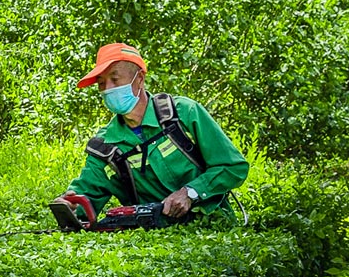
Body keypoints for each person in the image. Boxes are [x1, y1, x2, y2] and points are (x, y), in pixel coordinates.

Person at [53, 42, 249, 224]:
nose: (108, 89)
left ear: (139, 79)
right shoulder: (105, 145)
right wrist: (70, 203)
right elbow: (87, 193)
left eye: (114, 79)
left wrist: (190, 192)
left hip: (213, 224)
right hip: (155, 236)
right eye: (102, 83)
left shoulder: (184, 114)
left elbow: (233, 167)